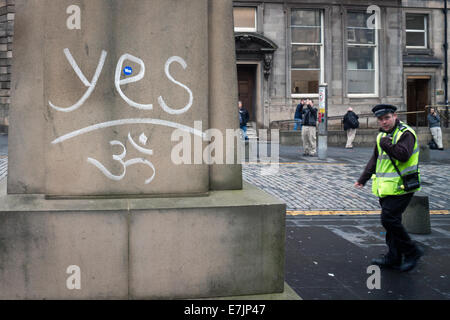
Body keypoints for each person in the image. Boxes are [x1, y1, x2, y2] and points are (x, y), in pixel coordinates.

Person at [354, 104, 423, 272]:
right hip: (386, 187)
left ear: (394, 116)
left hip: (403, 186)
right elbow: (375, 159)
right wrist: (363, 178)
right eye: (380, 119)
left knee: (388, 219)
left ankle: (412, 251)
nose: (384, 122)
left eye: (387, 118)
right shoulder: (382, 136)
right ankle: (394, 256)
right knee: (392, 222)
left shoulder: (405, 133)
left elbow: (403, 155)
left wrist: (387, 144)